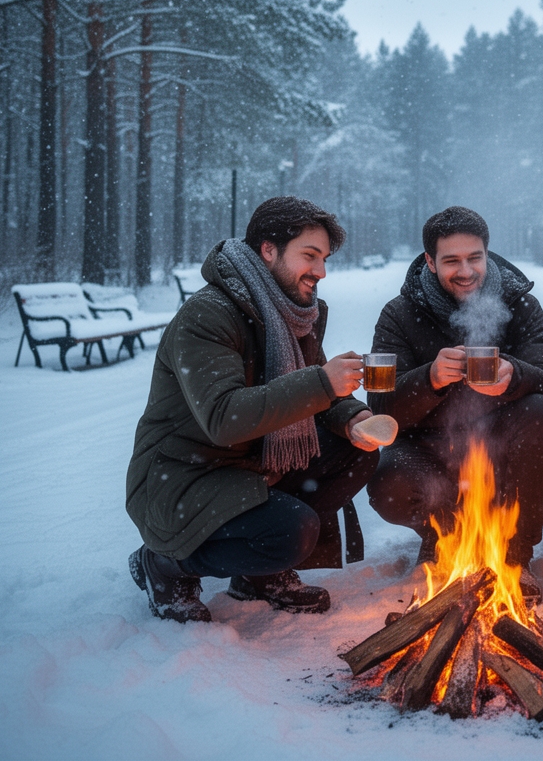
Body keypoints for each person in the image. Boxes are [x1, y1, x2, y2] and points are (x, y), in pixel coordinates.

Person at [125, 197, 382, 623]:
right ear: (268, 250)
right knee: (292, 531)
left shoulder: (292, 312)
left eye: (324, 259)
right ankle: (165, 564)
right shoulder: (209, 315)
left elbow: (317, 387)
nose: (320, 271)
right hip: (184, 476)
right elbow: (224, 418)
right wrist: (321, 383)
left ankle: (257, 575)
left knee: (357, 450)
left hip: (249, 464)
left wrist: (352, 417)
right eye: (309, 256)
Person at [365, 206, 543, 601]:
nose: (466, 271)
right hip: (430, 450)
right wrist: (430, 379)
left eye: (475, 258)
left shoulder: (520, 303)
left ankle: (513, 554)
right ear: (429, 261)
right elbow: (380, 409)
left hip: (503, 447)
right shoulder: (400, 314)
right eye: (451, 260)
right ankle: (446, 536)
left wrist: (515, 375)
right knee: (389, 481)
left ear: (487, 254)